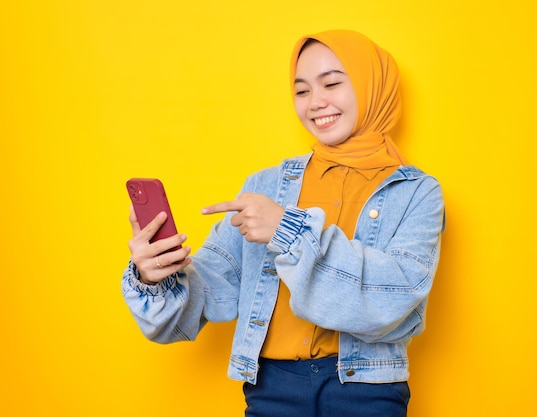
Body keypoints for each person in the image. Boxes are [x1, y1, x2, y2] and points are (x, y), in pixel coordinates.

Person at [123, 29, 445, 417]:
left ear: (371, 84)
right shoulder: (265, 186)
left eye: (332, 83)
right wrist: (157, 274)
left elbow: (394, 299)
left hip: (366, 393)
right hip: (272, 390)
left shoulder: (417, 192)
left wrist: (287, 231)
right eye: (302, 90)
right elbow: (210, 293)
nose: (316, 103)